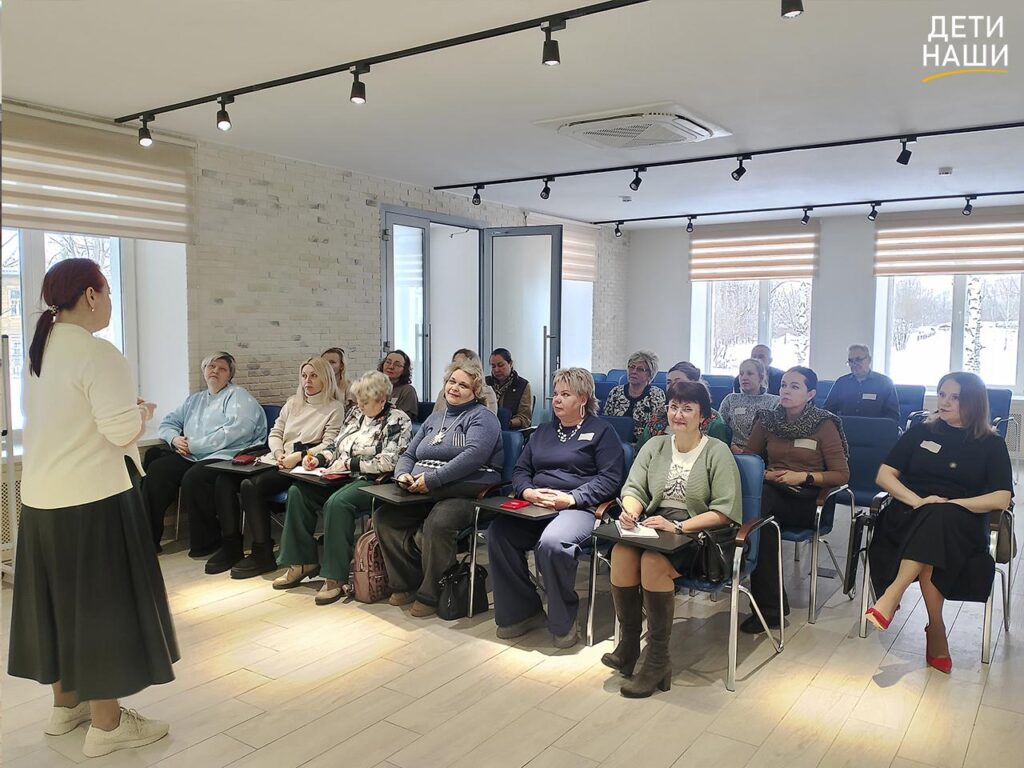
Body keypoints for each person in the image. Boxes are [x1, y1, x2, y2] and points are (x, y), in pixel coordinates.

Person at [8, 258, 176, 757]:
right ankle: (107, 725)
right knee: (103, 609)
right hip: (93, 501)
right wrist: (142, 411)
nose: (109, 303)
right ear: (90, 295)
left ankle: (67, 707)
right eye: (107, 292)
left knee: (58, 605)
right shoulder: (98, 353)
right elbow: (120, 432)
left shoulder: (39, 351)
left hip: (41, 501)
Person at [866, 372, 1011, 673]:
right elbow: (884, 475)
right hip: (909, 512)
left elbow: (1001, 497)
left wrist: (951, 505)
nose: (944, 402)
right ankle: (936, 629)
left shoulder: (991, 443)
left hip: (962, 520)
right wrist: (918, 501)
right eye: (942, 394)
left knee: (938, 520)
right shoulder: (921, 431)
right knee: (932, 532)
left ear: (974, 402)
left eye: (954, 397)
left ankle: (893, 595)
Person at [604, 380, 742, 698]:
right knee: (622, 552)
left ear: (703, 416)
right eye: (673, 407)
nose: (678, 414)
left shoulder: (716, 452)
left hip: (698, 532)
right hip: (656, 525)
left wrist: (679, 527)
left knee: (653, 561)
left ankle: (657, 660)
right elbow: (634, 488)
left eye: (687, 409)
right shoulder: (655, 445)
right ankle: (629, 644)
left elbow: (724, 511)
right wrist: (631, 512)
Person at [487, 368, 624, 648]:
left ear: (583, 398)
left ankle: (563, 621)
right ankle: (522, 611)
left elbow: (610, 479)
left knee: (552, 544)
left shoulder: (602, 432)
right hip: (537, 505)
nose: (557, 400)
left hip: (580, 508)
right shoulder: (543, 431)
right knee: (499, 533)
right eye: (556, 394)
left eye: (565, 394)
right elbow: (521, 470)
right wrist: (528, 491)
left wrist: (571, 499)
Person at [374, 358, 503, 618]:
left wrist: (432, 479)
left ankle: (432, 593)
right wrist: (402, 475)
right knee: (385, 517)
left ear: (475, 391)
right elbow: (409, 454)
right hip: (425, 489)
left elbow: (473, 456)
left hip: (468, 491)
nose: (454, 388)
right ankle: (406, 583)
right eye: (452, 381)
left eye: (463, 385)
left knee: (438, 522)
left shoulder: (483, 418)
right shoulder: (435, 418)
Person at [274, 370, 412, 604]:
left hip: (373, 481)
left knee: (337, 504)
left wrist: (350, 463)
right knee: (298, 492)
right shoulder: (355, 414)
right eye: (358, 400)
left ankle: (335, 576)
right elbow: (336, 447)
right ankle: (301, 562)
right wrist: (318, 460)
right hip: (340, 475)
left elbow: (391, 461)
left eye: (365, 401)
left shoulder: (397, 420)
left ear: (381, 400)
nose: (359, 405)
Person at [204, 357, 344, 578]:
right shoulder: (293, 403)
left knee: (251, 485)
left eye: (313, 376)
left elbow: (329, 444)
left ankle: (263, 553)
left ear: (326, 378)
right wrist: (279, 453)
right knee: (224, 481)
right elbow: (276, 433)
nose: (307, 381)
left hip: (302, 465)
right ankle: (231, 546)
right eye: (304, 375)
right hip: (277, 458)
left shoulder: (334, 407)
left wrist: (296, 457)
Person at [740, 366, 850, 633]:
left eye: (794, 387)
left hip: (809, 499)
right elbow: (748, 461)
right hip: (772, 491)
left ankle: (732, 566)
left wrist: (803, 477)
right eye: (783, 385)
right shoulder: (767, 420)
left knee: (756, 517)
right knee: (763, 524)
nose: (786, 391)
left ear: (810, 394)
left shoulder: (824, 423)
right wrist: (767, 474)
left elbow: (841, 474)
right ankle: (770, 609)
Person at [142, 353, 267, 554]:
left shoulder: (238, 396)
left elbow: (236, 431)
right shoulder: (195, 399)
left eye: (222, 369)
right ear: (204, 371)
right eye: (211, 366)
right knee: (158, 470)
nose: (215, 371)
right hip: (193, 454)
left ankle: (207, 541)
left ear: (230, 375)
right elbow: (168, 423)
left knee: (195, 478)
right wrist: (174, 439)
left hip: (228, 454)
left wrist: (194, 446)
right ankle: (147, 539)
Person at [638, 361, 729, 447]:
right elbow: (642, 447)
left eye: (678, 381)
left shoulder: (713, 419)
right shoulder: (660, 413)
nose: (672, 386)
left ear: (694, 383)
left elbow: (717, 450)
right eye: (669, 382)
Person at [602, 350, 667, 442]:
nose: (634, 371)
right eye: (631, 367)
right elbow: (606, 422)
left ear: (650, 375)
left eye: (640, 369)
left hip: (645, 445)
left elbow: (657, 428)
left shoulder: (656, 395)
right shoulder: (615, 392)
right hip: (615, 441)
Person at [823, 344, 900, 421]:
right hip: (845, 427)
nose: (854, 364)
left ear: (869, 360)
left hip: (875, 427)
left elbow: (893, 416)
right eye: (851, 361)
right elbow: (827, 411)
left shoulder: (885, 383)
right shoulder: (841, 383)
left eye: (858, 359)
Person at [719, 358, 781, 453]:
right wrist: (731, 446)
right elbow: (719, 428)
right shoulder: (730, 399)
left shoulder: (775, 401)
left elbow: (776, 434)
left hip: (763, 453)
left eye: (749, 373)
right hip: (731, 451)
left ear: (761, 377)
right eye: (741, 374)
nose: (744, 377)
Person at [432, 348, 498, 414]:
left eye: (462, 363)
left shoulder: (486, 392)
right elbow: (434, 417)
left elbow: (488, 417)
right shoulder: (445, 391)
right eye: (455, 363)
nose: (458, 366)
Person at [487, 347, 534, 429]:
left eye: (501, 365)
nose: (496, 370)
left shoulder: (522, 385)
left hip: (511, 429)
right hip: (487, 425)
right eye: (493, 366)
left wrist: (506, 423)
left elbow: (525, 418)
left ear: (510, 364)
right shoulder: (485, 383)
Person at [378, 349, 419, 421]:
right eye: (388, 362)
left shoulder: (407, 390)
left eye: (397, 365)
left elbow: (405, 419)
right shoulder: (375, 387)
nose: (391, 367)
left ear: (404, 370)